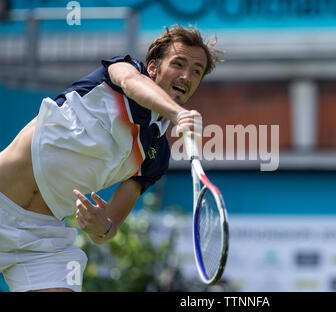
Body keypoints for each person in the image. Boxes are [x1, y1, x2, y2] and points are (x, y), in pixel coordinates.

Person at [0, 25, 220, 292]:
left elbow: (110, 228)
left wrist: (100, 226)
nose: (186, 76)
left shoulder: (156, 156)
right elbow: (132, 84)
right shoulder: (120, 73)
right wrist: (177, 113)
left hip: (42, 240)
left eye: (196, 71)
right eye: (178, 64)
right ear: (152, 68)